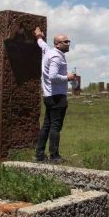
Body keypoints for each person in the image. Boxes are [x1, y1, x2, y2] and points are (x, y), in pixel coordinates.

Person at [34, 27, 77, 164]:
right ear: (58, 44)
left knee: (46, 125)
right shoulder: (56, 57)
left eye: (69, 41)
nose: (68, 43)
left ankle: (39, 155)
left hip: (48, 96)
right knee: (55, 127)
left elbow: (43, 45)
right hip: (57, 97)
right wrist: (68, 77)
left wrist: (39, 37)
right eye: (65, 42)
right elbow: (53, 76)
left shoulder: (49, 51)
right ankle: (54, 156)